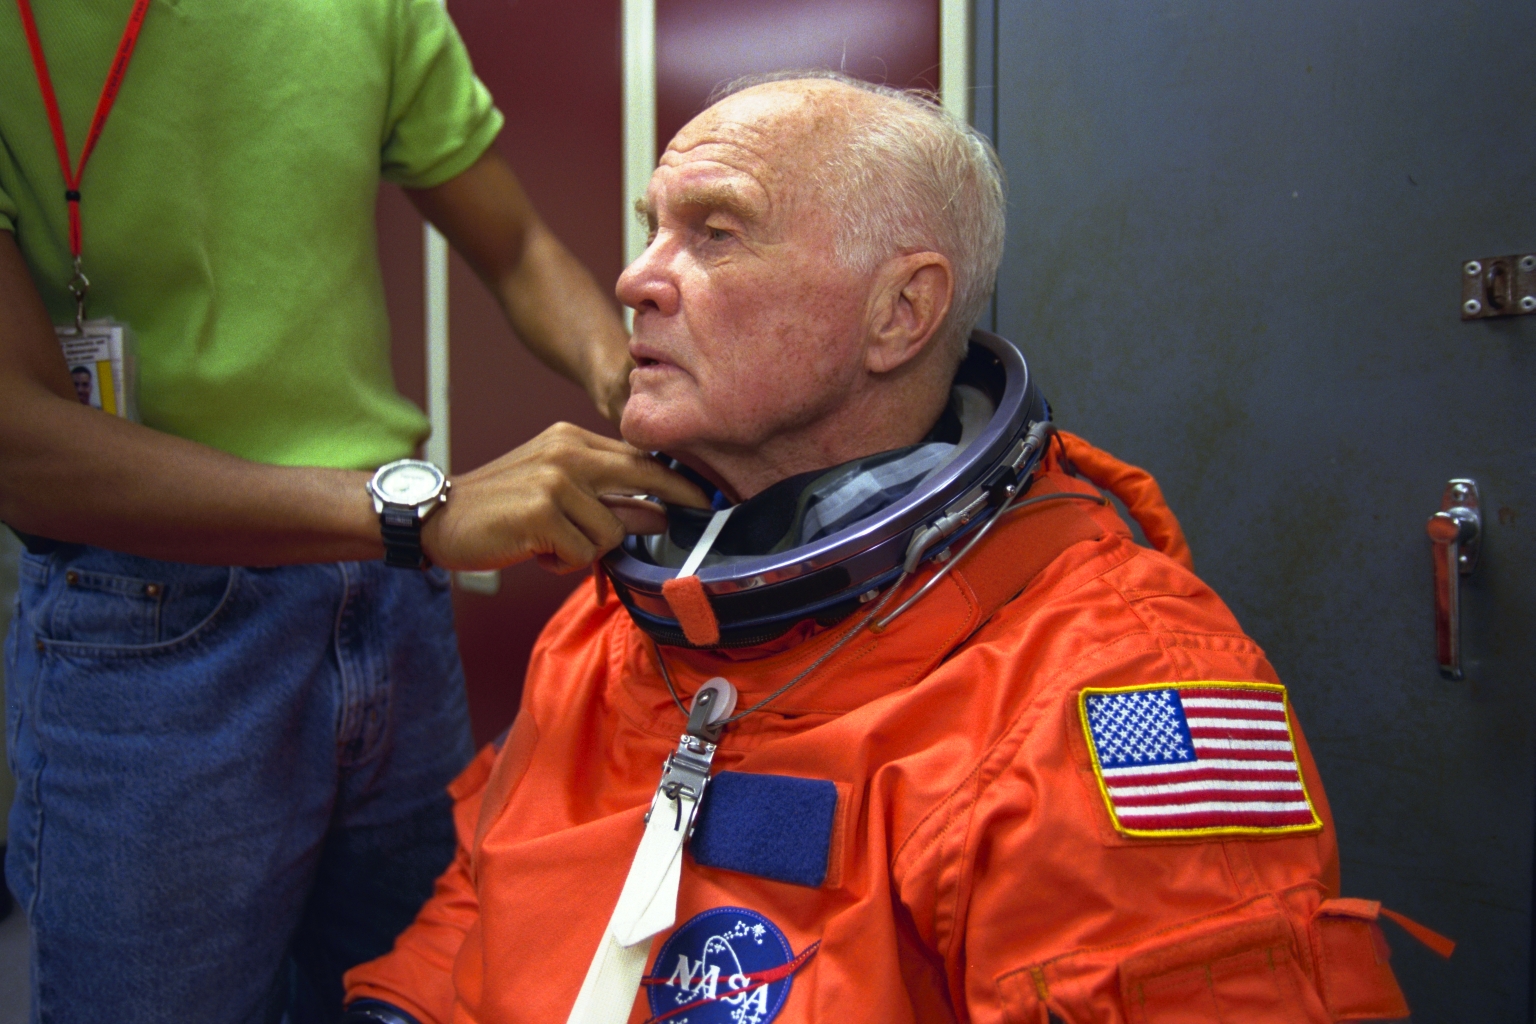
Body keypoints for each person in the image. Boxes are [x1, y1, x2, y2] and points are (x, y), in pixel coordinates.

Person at [343, 74, 1437, 1023]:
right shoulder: (627, 608)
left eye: (715, 233)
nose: (634, 279)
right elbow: (489, 896)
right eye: (652, 227)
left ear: (900, 313)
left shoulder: (1117, 678)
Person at [0, 2, 702, 1022]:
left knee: (418, 990)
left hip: (390, 610)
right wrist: (413, 512)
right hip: (145, 630)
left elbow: (514, 247)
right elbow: (20, 447)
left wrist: (631, 383)